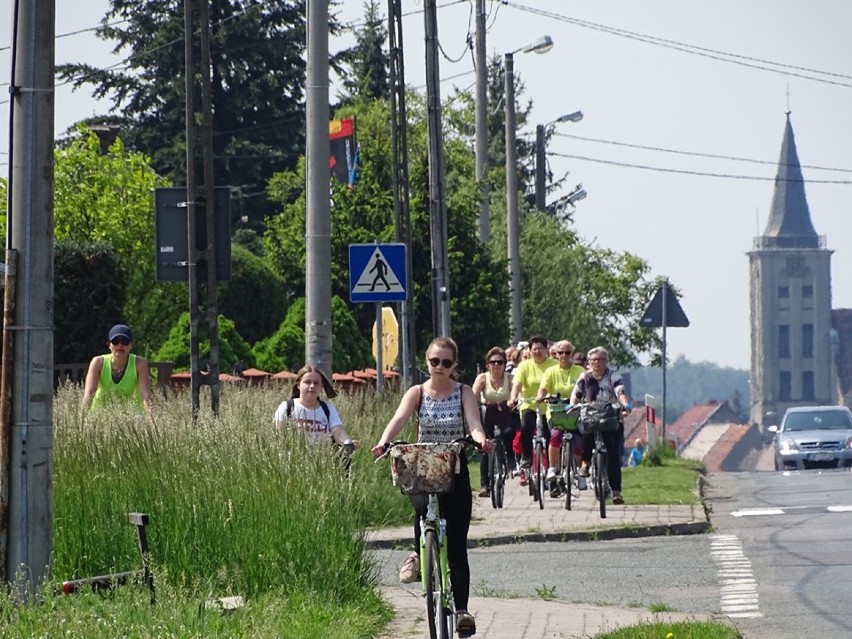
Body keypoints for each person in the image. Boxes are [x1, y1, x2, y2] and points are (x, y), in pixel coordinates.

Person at [371, 337, 493, 637]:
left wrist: (478, 439)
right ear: (427, 362)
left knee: (457, 547)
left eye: (446, 363)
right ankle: (417, 553)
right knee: (421, 507)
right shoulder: (417, 393)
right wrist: (384, 441)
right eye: (434, 361)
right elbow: (399, 418)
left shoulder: (463, 391)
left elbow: (473, 421)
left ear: (455, 365)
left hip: (454, 466)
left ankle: (462, 610)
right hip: (423, 464)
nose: (440, 367)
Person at [571, 347, 632, 505]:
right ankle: (586, 463)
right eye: (594, 360)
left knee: (613, 454)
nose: (597, 363)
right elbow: (576, 393)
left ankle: (616, 491)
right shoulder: (585, 377)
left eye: (601, 359)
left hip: (611, 416)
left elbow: (620, 391)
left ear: (606, 361)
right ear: (589, 363)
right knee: (587, 434)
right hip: (591, 414)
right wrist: (572, 406)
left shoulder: (613, 374)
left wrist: (625, 404)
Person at [536, 340, 585, 496]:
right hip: (556, 411)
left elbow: (587, 387)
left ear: (571, 353)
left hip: (575, 411)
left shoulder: (579, 371)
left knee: (578, 443)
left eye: (567, 352)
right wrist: (541, 397)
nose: (564, 356)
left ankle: (578, 472)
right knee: (555, 435)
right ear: (555, 354)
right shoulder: (550, 371)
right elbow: (542, 389)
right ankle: (552, 467)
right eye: (560, 352)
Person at [508, 335, 556, 485]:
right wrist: (513, 398)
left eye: (540, 348)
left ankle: (552, 470)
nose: (537, 352)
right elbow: (517, 384)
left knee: (550, 436)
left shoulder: (553, 365)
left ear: (546, 349)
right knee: (526, 427)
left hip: (548, 406)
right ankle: (526, 457)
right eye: (534, 349)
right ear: (529, 350)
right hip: (529, 405)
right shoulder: (524, 366)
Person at [273, 365, 355, 449]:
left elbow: (338, 431)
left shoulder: (328, 409)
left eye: (316, 383)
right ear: (298, 385)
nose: (312, 386)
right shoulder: (286, 407)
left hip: (323, 460)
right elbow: (279, 435)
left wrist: (347, 442)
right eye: (307, 382)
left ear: (320, 387)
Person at [82, 324, 153, 416]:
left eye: (125, 341)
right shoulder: (98, 362)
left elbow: (146, 395)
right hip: (101, 415)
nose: (120, 345)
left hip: (130, 417)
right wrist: (82, 420)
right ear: (109, 345)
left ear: (131, 345)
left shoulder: (139, 363)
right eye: (115, 341)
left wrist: (151, 421)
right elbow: (89, 393)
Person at [471, 347, 514, 498]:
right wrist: (473, 404)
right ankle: (484, 485)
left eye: (500, 362)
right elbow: (474, 394)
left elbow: (515, 393)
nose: (496, 365)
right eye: (493, 362)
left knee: (508, 433)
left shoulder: (509, 378)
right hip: (487, 414)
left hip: (504, 414)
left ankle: (510, 459)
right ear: (488, 364)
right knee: (485, 447)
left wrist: (512, 400)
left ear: (504, 364)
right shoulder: (483, 378)